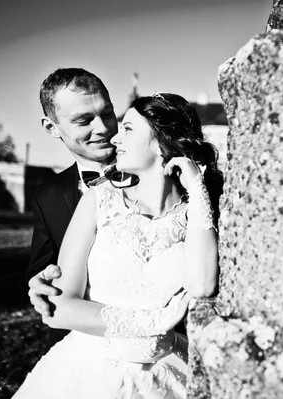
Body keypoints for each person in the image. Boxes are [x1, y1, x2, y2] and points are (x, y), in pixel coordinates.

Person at [13, 93, 223, 398]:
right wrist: (155, 323)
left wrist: (197, 189)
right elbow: (59, 306)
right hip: (86, 373)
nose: (115, 138)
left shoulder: (198, 215)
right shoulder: (98, 200)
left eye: (127, 129)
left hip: (168, 372)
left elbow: (202, 285)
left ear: (160, 142)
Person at [26, 67, 131, 344]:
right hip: (78, 341)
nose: (104, 128)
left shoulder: (157, 170)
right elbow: (42, 264)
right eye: (84, 120)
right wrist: (38, 283)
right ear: (51, 127)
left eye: (107, 113)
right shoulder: (46, 195)